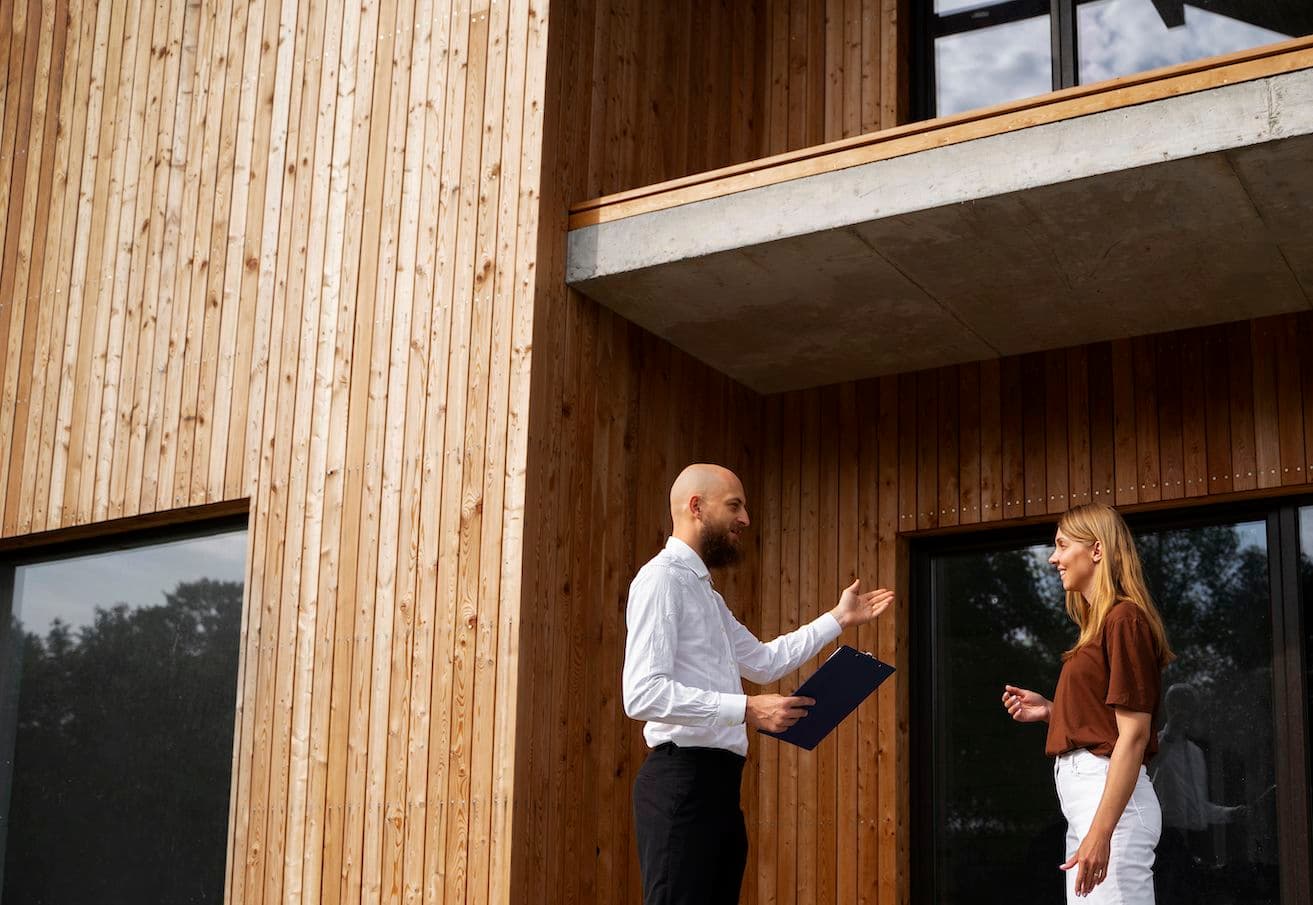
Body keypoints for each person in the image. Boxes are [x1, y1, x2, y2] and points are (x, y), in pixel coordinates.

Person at [623, 463, 893, 905]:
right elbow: (642, 693)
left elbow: (765, 662)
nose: (745, 519)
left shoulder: (705, 592)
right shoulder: (662, 579)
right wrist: (747, 709)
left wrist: (838, 620)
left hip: (719, 786)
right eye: (735, 506)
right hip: (681, 782)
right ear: (696, 507)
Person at [1002, 502, 1174, 903]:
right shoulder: (1101, 625)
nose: (1053, 558)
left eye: (1062, 545)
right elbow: (1106, 722)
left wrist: (1101, 832)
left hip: (1109, 806)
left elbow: (1133, 736)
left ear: (1096, 550)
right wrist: (1052, 711)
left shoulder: (1123, 619)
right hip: (1089, 806)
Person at [1149, 683, 1248, 902]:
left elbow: (1200, 807)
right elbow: (1148, 769)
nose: (1184, 711)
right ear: (1168, 708)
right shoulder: (1155, 744)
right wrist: (1171, 735)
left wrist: (1230, 813)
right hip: (1166, 841)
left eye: (1188, 706)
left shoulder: (1195, 753)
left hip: (1196, 842)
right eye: (1178, 706)